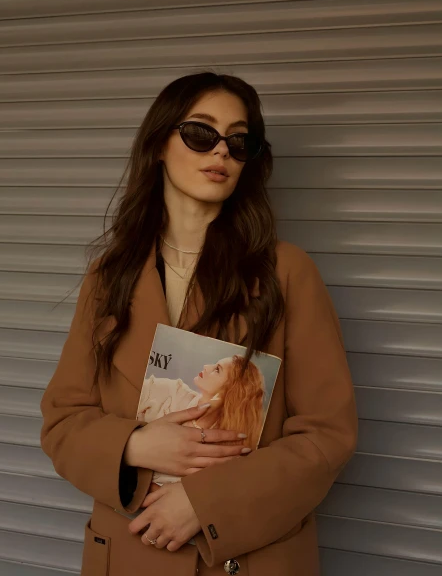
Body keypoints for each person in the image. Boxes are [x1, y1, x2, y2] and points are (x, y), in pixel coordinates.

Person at [40, 71, 358, 576]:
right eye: (201, 133)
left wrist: (206, 504)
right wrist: (136, 444)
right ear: (160, 145)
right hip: (128, 547)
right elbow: (62, 421)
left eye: (239, 140)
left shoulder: (287, 273)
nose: (221, 153)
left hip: (245, 556)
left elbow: (327, 435)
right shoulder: (110, 278)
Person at [137, 355, 266, 485]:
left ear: (231, 390)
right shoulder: (170, 391)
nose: (206, 366)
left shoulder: (228, 442)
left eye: (217, 370)